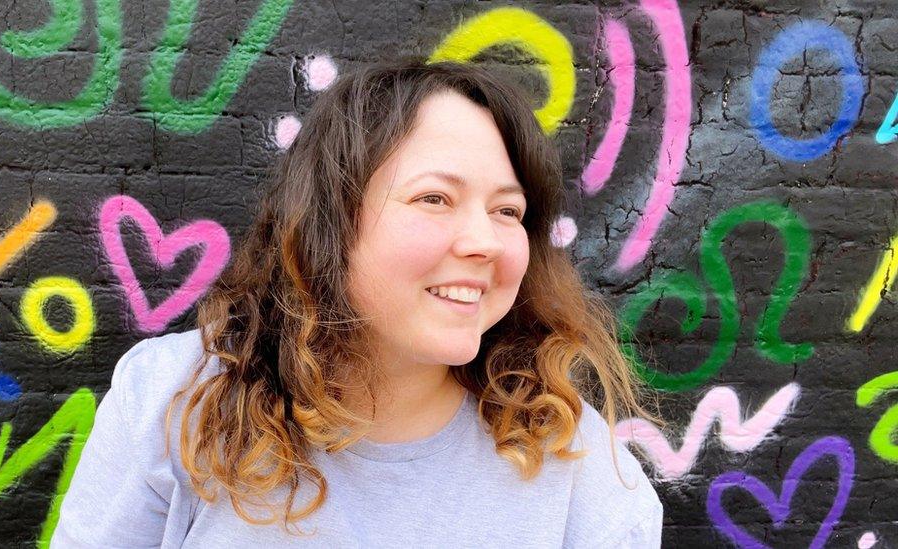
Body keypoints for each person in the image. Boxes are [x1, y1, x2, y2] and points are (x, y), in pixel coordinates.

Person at [52, 58, 663, 548]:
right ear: (331, 223)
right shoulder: (174, 403)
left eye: (508, 211)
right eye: (435, 199)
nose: (485, 242)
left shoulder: (578, 466)